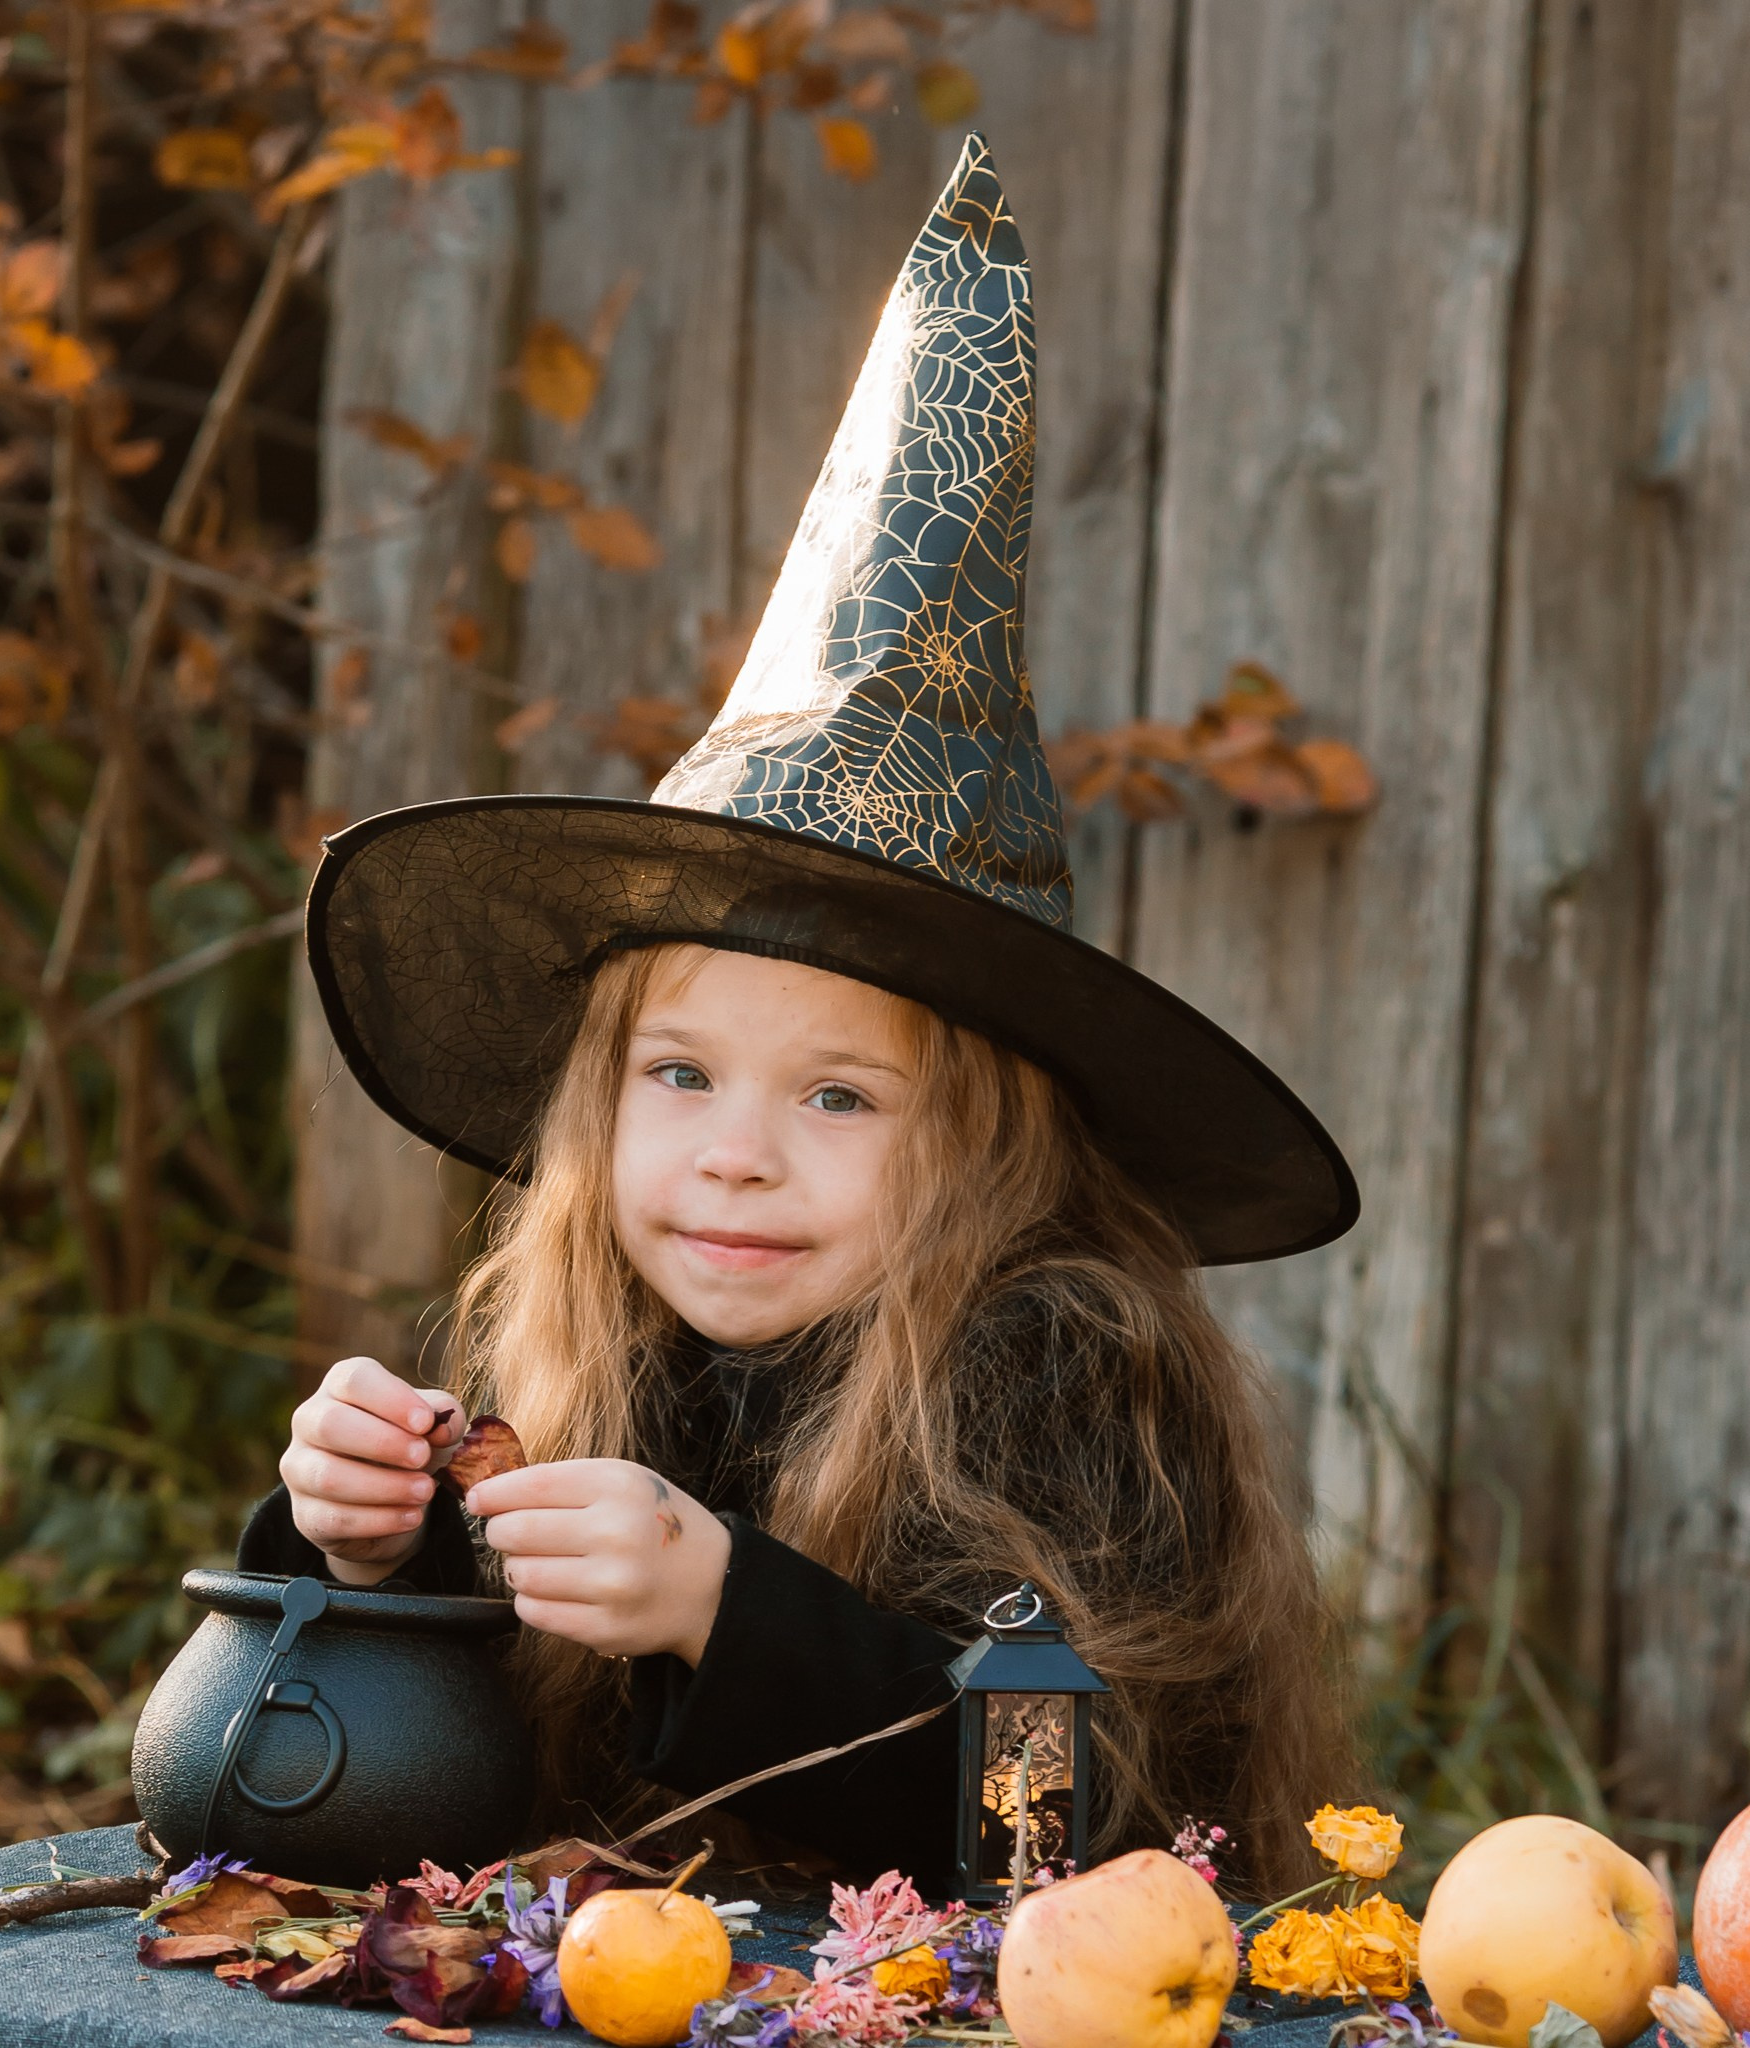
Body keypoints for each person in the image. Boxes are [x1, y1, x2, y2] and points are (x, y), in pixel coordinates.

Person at [246, 139, 1362, 1896]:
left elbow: (1064, 1816)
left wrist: (717, 1608)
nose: (736, 1159)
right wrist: (361, 1554)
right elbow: (419, 1784)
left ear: (988, 1143)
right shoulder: (577, 1344)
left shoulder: (1061, 1366)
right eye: (679, 1075)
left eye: (842, 1099)